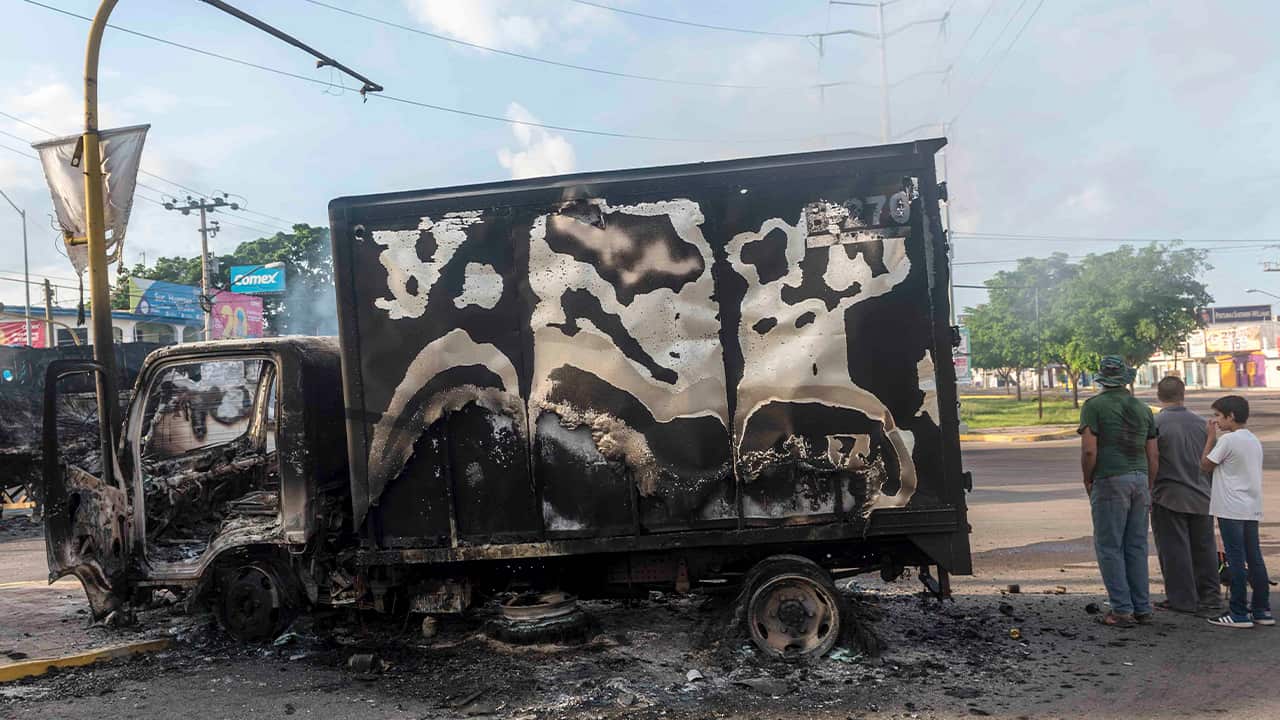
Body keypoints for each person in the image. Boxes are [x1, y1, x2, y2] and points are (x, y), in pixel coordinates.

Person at [1079, 356, 1157, 627]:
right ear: (1126, 378)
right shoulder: (1143, 409)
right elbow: (1153, 453)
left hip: (1110, 479)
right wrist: (1148, 484)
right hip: (1140, 478)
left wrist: (1088, 479)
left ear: (1101, 378)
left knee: (1109, 546)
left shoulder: (1093, 406)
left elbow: (1090, 449)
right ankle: (1142, 608)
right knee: (1136, 545)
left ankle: (1121, 610)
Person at [1150, 376, 1221, 616]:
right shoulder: (1203, 424)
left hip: (1168, 496)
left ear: (1159, 396)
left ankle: (1182, 600)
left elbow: (1152, 460)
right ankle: (1210, 597)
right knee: (1204, 549)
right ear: (1183, 394)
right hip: (1202, 495)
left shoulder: (1155, 424)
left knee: (1174, 550)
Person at [1201, 395, 1270, 629]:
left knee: (1236, 559)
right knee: (1255, 558)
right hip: (1251, 506)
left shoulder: (1228, 440)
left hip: (1231, 508)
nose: (1216, 421)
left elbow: (1205, 465)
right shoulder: (1252, 440)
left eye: (1219, 416)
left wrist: (1210, 437)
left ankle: (1238, 613)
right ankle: (1262, 610)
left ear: (1231, 416)